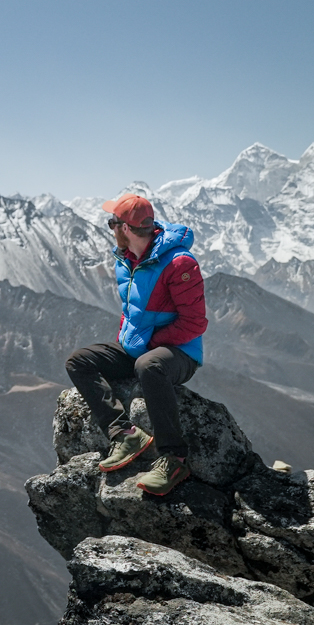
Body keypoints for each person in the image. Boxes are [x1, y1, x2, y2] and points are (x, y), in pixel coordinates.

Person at [65, 193, 206, 495]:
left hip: (178, 353)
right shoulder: (126, 260)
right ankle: (126, 435)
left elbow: (194, 323)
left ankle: (174, 458)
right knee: (79, 361)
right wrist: (131, 340)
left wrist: (151, 343)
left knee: (149, 366)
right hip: (138, 347)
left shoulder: (179, 263)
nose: (110, 228)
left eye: (111, 223)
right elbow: (132, 312)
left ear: (125, 228)